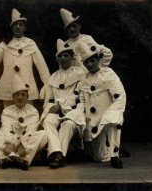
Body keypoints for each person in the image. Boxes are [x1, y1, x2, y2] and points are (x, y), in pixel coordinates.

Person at [0, 8, 50, 108]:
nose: (18, 27)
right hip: (9, 86)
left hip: (27, 87)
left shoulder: (31, 44)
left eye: (20, 25)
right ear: (12, 28)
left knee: (28, 116)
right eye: (15, 25)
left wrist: (48, 85)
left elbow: (41, 66)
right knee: (9, 116)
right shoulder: (5, 44)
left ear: (24, 28)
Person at [77, 42, 126, 169]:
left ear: (98, 60)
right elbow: (82, 101)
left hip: (109, 113)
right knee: (99, 157)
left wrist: (114, 112)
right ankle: (111, 149)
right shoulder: (84, 79)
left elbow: (119, 95)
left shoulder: (108, 73)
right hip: (94, 121)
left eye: (92, 60)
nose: (90, 64)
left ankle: (115, 156)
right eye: (87, 62)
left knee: (112, 121)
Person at [40, 39, 86, 168]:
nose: (63, 58)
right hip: (57, 110)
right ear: (57, 59)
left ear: (72, 57)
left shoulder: (80, 74)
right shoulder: (53, 77)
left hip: (74, 110)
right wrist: (51, 107)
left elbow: (80, 97)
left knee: (68, 124)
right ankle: (57, 152)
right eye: (60, 56)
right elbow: (48, 99)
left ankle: (58, 156)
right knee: (48, 120)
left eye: (66, 55)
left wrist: (63, 107)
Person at [0, 74, 47, 170]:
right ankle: (13, 160)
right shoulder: (7, 111)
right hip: (10, 142)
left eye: (23, 95)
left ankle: (13, 158)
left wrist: (22, 144)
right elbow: (6, 129)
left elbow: (31, 131)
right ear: (13, 97)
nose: (20, 97)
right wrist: (10, 143)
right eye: (17, 95)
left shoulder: (33, 111)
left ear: (27, 97)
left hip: (26, 143)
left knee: (43, 134)